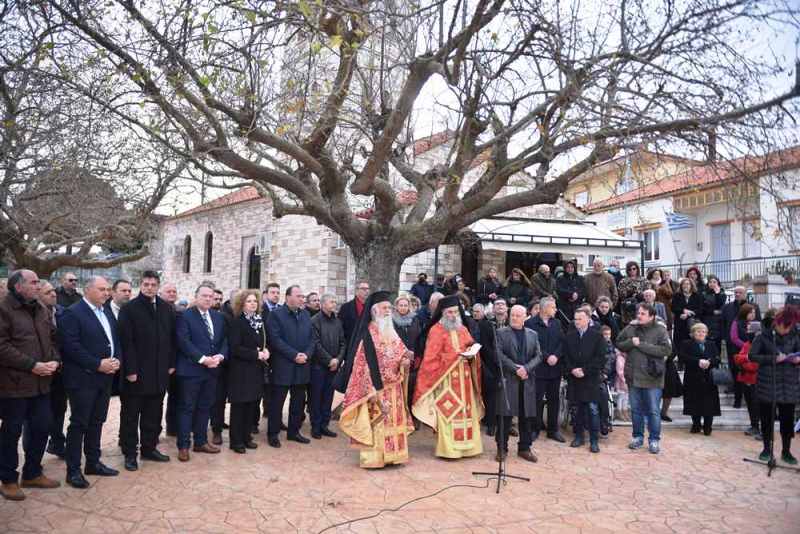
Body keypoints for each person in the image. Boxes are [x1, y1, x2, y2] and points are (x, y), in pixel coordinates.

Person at [0, 270, 61, 500]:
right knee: (11, 432)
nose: (38, 286)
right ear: (18, 286)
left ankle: (32, 473)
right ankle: (7, 479)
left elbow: (54, 338)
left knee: (42, 427)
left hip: (42, 383)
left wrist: (55, 360)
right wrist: (31, 365)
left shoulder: (41, 309)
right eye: (33, 282)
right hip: (14, 384)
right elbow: (2, 346)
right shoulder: (4, 309)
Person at [338, 291, 414, 468]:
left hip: (394, 388)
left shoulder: (391, 331)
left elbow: (400, 353)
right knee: (378, 424)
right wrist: (372, 392)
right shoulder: (367, 334)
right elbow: (361, 366)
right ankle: (375, 459)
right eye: (385, 308)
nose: (389, 311)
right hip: (375, 390)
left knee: (393, 424)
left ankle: (394, 456)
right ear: (375, 311)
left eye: (389, 308)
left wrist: (404, 361)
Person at [59, 276, 121, 488]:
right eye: (102, 289)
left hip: (105, 378)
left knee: (97, 422)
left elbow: (115, 340)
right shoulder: (73, 313)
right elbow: (71, 347)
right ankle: (73, 470)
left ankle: (93, 463)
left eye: (108, 289)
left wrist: (116, 359)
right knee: (79, 424)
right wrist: (97, 364)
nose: (106, 293)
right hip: (83, 379)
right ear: (88, 290)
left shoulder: (106, 312)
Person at [117, 271, 176, 471]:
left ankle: (149, 448)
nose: (149, 287)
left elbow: (171, 339)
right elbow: (126, 342)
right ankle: (130, 453)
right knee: (131, 416)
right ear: (140, 285)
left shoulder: (167, 308)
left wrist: (171, 363)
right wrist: (130, 370)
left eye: (153, 284)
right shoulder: (130, 309)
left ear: (158, 286)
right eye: (146, 284)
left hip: (159, 373)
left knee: (153, 414)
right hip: (137, 373)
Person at [413, 295, 483, 459]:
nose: (453, 315)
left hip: (465, 380)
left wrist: (472, 353)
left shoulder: (463, 329)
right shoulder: (436, 330)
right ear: (443, 313)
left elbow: (470, 345)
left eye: (456, 312)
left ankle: (470, 448)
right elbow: (430, 357)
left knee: (467, 413)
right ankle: (449, 449)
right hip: (446, 380)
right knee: (449, 413)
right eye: (450, 312)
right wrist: (454, 356)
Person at [174, 283, 228, 462]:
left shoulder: (218, 317)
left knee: (205, 407)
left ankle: (201, 441)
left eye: (210, 296)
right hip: (191, 370)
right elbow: (183, 342)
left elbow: (224, 341)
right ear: (196, 297)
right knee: (187, 408)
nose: (207, 299)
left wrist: (220, 356)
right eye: (204, 295)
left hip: (212, 370)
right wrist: (203, 359)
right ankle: (183, 446)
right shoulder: (185, 316)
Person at [616, 303, 672, 454]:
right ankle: (637, 437)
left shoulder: (660, 330)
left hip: (652, 378)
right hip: (633, 377)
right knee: (635, 410)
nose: (638, 316)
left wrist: (641, 345)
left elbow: (666, 350)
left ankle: (654, 440)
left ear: (651, 316)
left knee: (653, 411)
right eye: (638, 312)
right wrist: (630, 343)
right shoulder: (631, 328)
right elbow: (619, 343)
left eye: (642, 313)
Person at [748, 310, 800, 465]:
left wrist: (796, 359)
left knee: (787, 420)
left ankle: (786, 451)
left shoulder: (795, 335)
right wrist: (773, 359)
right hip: (768, 382)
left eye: (788, 327)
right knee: (767, 419)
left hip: (788, 383)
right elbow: (752, 356)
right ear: (776, 323)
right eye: (782, 326)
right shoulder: (763, 336)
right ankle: (766, 449)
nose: (785, 330)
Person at [266, 285, 313, 447]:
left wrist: (306, 354)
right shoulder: (275, 315)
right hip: (283, 365)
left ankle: (293, 432)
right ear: (288, 297)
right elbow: (275, 340)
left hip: (302, 366)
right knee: (277, 403)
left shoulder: (306, 314)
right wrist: (294, 355)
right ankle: (273, 434)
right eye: (299, 296)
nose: (302, 299)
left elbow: (312, 339)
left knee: (298, 402)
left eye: (303, 296)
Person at [494, 305, 542, 462]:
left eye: (517, 315)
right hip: (509, 380)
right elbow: (498, 355)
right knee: (505, 417)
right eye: (512, 315)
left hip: (527, 381)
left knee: (526, 417)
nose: (514, 318)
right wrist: (516, 369)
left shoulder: (533, 334)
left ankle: (524, 448)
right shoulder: (501, 333)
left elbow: (538, 356)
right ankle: (502, 449)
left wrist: (526, 369)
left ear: (525, 317)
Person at [227, 290, 269, 453]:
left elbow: (263, 343)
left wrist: (266, 352)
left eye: (255, 301)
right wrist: (255, 354)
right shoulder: (237, 322)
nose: (253, 304)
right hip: (240, 371)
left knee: (251, 405)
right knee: (239, 407)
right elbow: (235, 348)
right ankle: (236, 441)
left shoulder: (258, 322)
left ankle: (246, 437)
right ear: (241, 304)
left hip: (255, 370)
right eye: (249, 301)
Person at [564, 308, 607, 453]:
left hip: (590, 380)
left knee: (593, 410)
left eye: (580, 319)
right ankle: (579, 437)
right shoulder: (569, 336)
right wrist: (572, 370)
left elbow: (600, 359)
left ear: (588, 319)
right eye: (575, 319)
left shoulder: (597, 336)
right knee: (577, 410)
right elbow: (566, 358)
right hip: (575, 379)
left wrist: (585, 371)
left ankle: (594, 440)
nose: (577, 322)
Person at [527, 297, 565, 443]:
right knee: (536, 400)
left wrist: (556, 355)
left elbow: (562, 342)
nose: (555, 310)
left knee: (554, 399)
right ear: (544, 308)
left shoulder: (557, 323)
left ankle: (553, 430)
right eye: (553, 307)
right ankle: (534, 429)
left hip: (555, 368)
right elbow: (532, 345)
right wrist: (547, 356)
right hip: (538, 368)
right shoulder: (530, 323)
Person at [36, 282, 67, 460]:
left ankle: (56, 443)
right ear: (38, 294)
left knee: (59, 408)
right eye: (48, 292)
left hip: (60, 371)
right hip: (38, 371)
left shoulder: (62, 312)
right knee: (37, 415)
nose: (54, 294)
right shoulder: (32, 314)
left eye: (54, 291)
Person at [309, 293, 344, 440]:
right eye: (331, 302)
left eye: (335, 301)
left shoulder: (337, 321)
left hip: (333, 366)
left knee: (328, 397)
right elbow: (315, 344)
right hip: (318, 366)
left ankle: (325, 425)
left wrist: (338, 359)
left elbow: (343, 342)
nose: (334, 304)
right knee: (316, 397)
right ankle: (315, 426)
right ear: (323, 304)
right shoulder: (315, 321)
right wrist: (329, 360)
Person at [722, 286, 761, 408]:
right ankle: (738, 399)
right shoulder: (727, 308)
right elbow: (724, 326)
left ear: (745, 294)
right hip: (734, 348)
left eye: (740, 292)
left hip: (752, 351)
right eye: (736, 292)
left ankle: (751, 400)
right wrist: (744, 345)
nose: (737, 294)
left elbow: (759, 329)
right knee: (736, 373)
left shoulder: (754, 308)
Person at [679, 323, 721, 435]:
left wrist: (709, 362)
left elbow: (717, 358)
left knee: (709, 404)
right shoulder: (686, 344)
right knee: (694, 402)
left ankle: (708, 427)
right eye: (698, 331)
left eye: (703, 331)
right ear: (693, 333)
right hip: (693, 378)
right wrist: (698, 361)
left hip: (709, 379)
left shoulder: (711, 344)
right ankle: (696, 425)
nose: (701, 333)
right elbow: (683, 357)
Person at [730, 304, 761, 438]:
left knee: (755, 404)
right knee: (749, 403)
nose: (748, 331)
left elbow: (754, 364)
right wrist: (744, 360)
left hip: (754, 378)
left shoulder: (759, 345)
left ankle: (758, 427)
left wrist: (743, 362)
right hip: (745, 378)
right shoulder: (747, 344)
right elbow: (737, 358)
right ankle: (753, 425)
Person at [159, 282, 180, 438]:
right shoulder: (157, 310)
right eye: (169, 291)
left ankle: (172, 427)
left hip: (175, 362)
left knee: (175, 397)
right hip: (159, 363)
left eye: (174, 291)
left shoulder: (178, 310)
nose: (172, 294)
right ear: (161, 293)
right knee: (157, 400)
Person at [700, 275, 726, 352]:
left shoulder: (722, 294)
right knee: (707, 343)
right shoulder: (704, 294)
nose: (712, 284)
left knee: (717, 344)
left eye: (714, 282)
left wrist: (717, 293)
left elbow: (720, 305)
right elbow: (702, 308)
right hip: (707, 320)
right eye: (710, 282)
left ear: (718, 283)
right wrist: (712, 311)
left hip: (718, 322)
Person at [556, 260, 585, 328]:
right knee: (565, 326)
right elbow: (559, 290)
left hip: (577, 306)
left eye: (572, 267)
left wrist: (577, 295)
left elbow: (583, 291)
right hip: (564, 307)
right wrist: (571, 295)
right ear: (565, 268)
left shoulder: (580, 278)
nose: (570, 269)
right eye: (568, 267)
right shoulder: (560, 278)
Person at [340, 280, 369, 347]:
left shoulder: (371, 307)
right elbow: (341, 329)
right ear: (356, 291)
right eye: (363, 289)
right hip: (350, 343)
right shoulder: (346, 307)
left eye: (368, 289)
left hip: (366, 345)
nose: (366, 291)